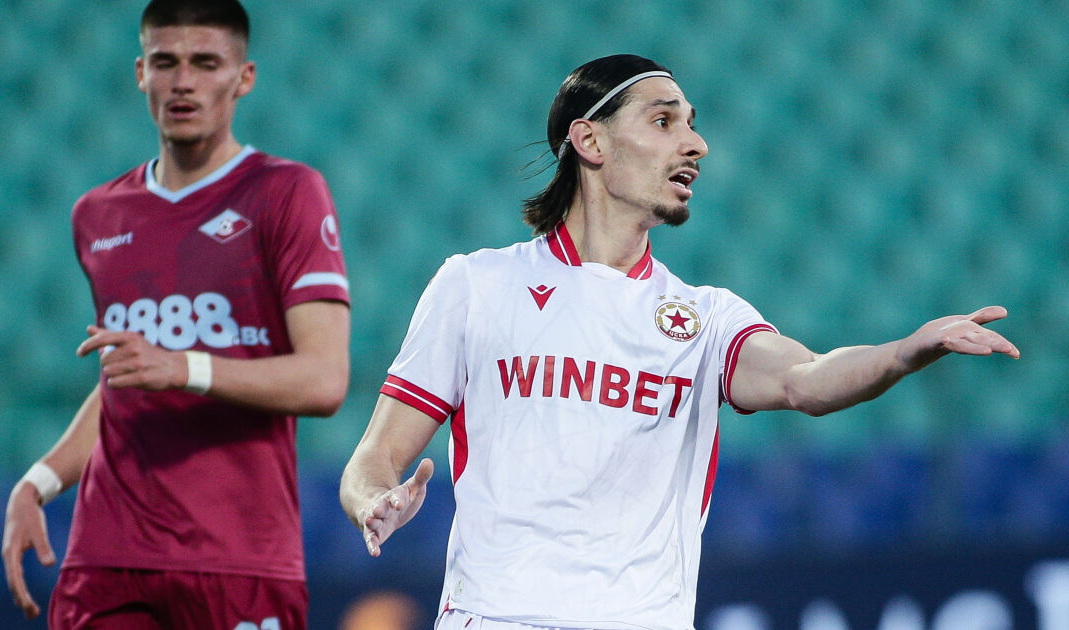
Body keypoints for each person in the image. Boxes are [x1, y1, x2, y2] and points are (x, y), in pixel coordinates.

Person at [338, 54, 1019, 630]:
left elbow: (805, 379)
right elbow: (374, 457)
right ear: (590, 140)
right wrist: (373, 500)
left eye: (692, 124)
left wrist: (902, 353)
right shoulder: (476, 286)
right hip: (495, 617)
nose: (696, 145)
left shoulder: (704, 319)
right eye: (664, 121)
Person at [0, 1, 350, 628]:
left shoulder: (287, 193)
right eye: (165, 62)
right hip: (108, 558)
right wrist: (39, 482)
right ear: (141, 73)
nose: (183, 81)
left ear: (243, 77)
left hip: (238, 557)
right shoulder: (97, 215)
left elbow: (323, 380)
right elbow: (127, 380)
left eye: (206, 63)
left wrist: (183, 367)